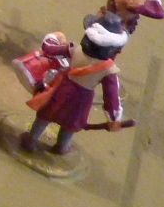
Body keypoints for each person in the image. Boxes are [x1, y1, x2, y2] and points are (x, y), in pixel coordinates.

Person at [22, 14, 129, 156]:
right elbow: (112, 98)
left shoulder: (75, 49)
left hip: (61, 89)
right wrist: (114, 119)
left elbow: (49, 49)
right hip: (81, 99)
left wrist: (53, 38)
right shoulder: (109, 70)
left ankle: (31, 140)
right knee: (71, 123)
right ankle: (62, 147)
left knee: (46, 115)